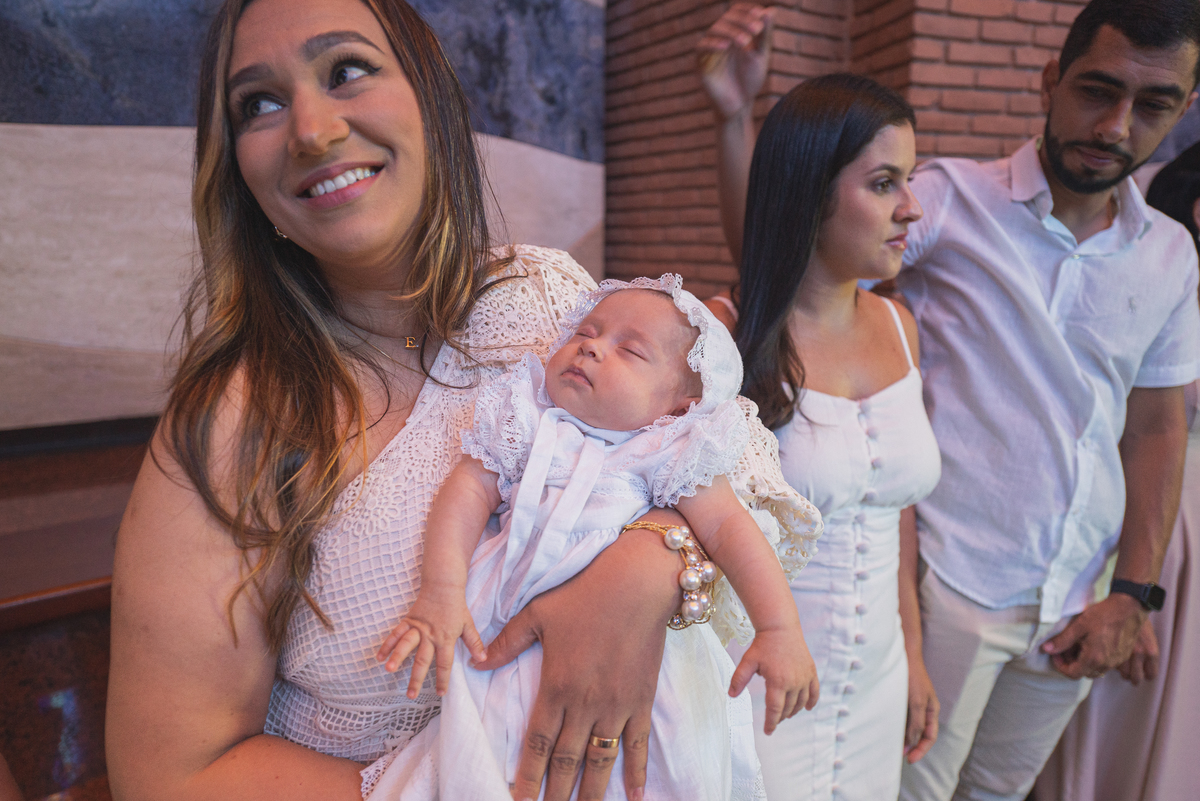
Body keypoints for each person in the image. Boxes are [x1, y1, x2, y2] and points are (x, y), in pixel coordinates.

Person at [103, 1, 814, 800]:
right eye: (257, 103)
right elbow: (170, 775)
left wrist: (645, 565)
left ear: (430, 96)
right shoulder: (234, 424)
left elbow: (740, 468)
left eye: (346, 70)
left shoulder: (549, 304)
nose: (310, 129)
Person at [705, 0, 1200, 798]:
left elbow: (1156, 428)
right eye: (1097, 90)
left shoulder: (1171, 254)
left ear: (1184, 109)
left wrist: (1132, 594)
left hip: (1073, 595)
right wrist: (736, 125)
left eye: (1152, 104)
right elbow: (794, 270)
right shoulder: (949, 200)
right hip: (950, 587)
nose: (1114, 125)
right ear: (1051, 80)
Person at [366, 276, 821, 799]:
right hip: (505, 630)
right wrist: (440, 591)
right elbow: (468, 490)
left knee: (657, 759)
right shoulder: (529, 420)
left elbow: (729, 529)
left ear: (676, 407)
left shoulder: (666, 448)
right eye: (587, 331)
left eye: (629, 351)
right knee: (492, 744)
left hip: (635, 653)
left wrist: (779, 629)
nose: (591, 347)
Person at [697, 20, 942, 799]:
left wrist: (915, 652)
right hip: (762, 677)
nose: (912, 208)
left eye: (911, 179)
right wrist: (731, 117)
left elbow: (895, 511)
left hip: (880, 676)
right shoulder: (729, 338)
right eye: (883, 184)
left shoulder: (902, 329)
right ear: (810, 192)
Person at [1033, 138, 1200, 801]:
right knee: (1119, 733)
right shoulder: (1158, 284)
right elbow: (1139, 435)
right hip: (1154, 531)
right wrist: (1135, 590)